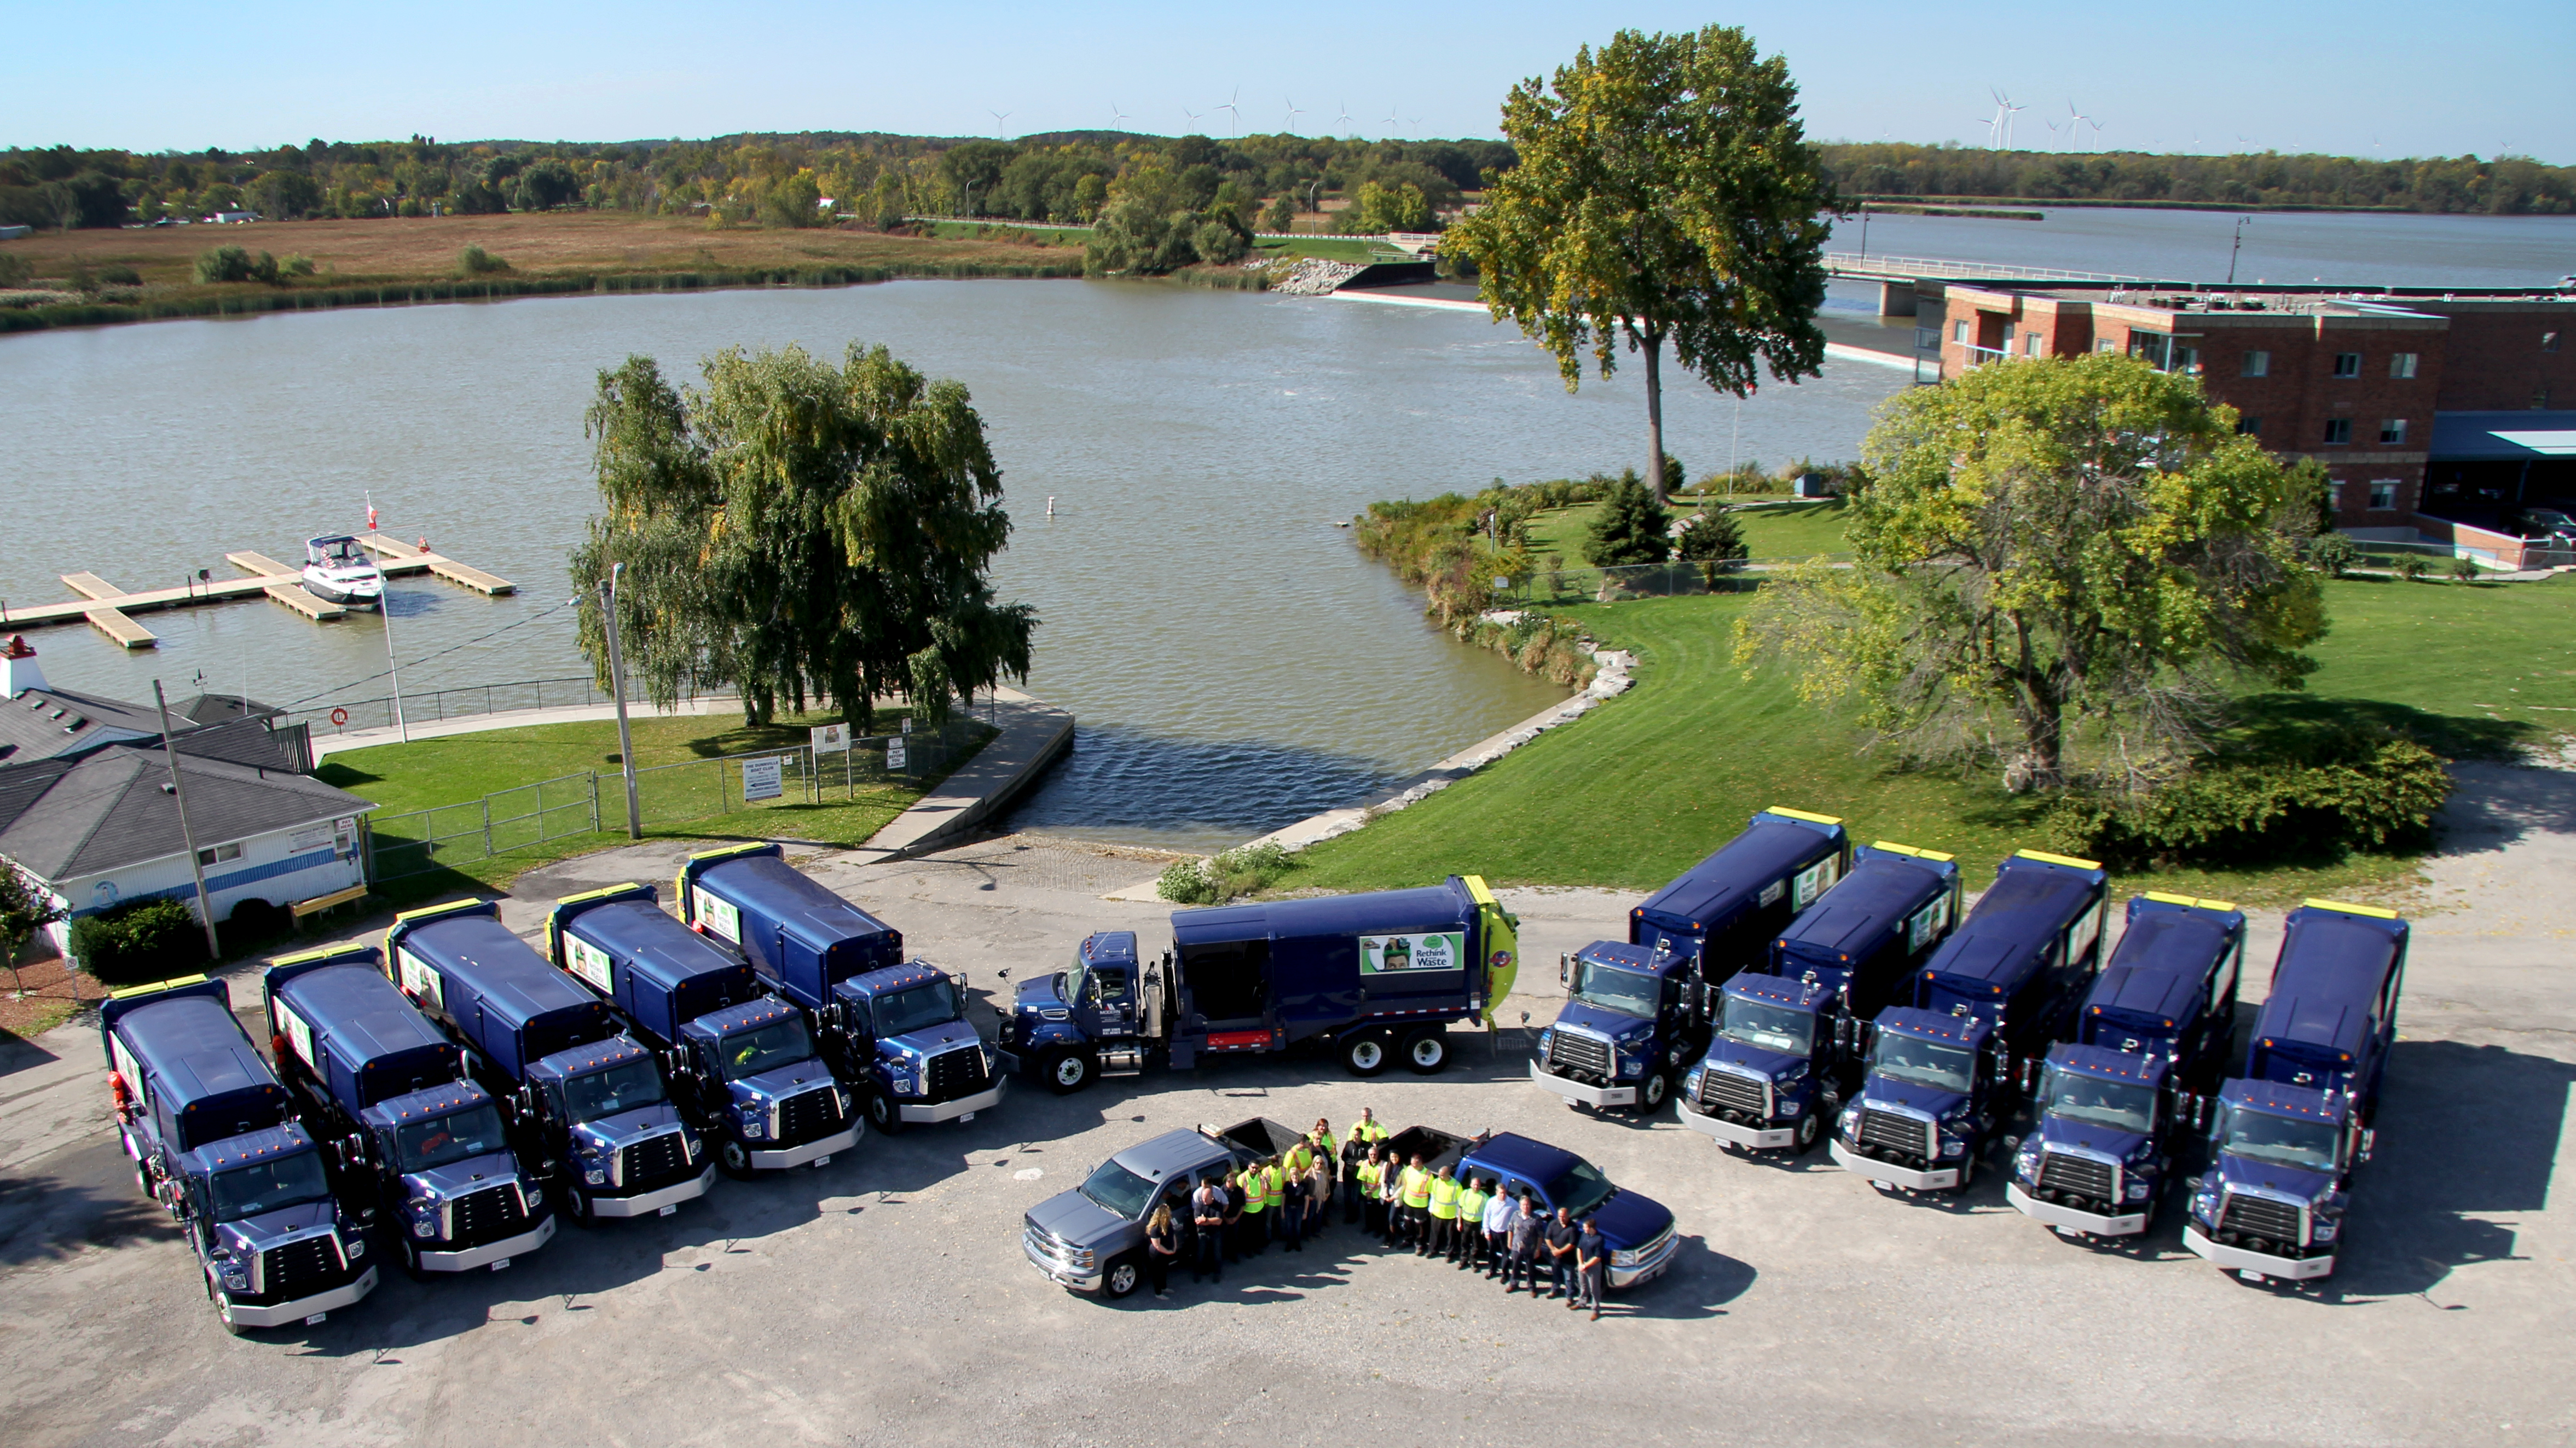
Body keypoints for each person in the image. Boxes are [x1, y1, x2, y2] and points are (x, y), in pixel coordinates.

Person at [1504, 1190, 1543, 1294]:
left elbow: (1540, 1236)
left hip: (1529, 1248)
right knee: (1515, 1267)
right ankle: (1514, 1284)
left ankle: (1532, 1287)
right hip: (1516, 1247)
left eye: (1527, 1205)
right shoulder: (1516, 1215)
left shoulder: (1535, 1219)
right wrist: (1509, 1242)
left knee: (1530, 1269)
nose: (1526, 1207)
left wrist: (1538, 1249)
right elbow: (1510, 1229)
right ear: (1520, 1206)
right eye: (1524, 1205)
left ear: (1530, 1206)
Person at [1192, 1173, 1229, 1283]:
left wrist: (1206, 1221)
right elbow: (1197, 1220)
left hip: (1215, 1234)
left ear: (1211, 1197)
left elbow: (1219, 1221)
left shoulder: (1218, 1206)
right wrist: (1210, 1221)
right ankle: (1197, 1274)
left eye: (1205, 1198)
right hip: (1202, 1234)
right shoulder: (1199, 1206)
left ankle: (1217, 1273)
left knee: (1217, 1254)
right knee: (1200, 1255)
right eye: (1202, 1198)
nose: (1203, 1200)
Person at [1480, 1180, 1517, 1279]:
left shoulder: (1513, 1204)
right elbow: (1486, 1217)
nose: (1503, 1195)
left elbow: (1518, 1214)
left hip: (1505, 1233)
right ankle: (1492, 1270)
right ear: (1497, 1193)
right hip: (1493, 1232)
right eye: (1501, 1193)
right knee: (1492, 1253)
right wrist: (1487, 1232)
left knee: (1505, 1254)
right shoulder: (1491, 1202)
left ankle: (1505, 1274)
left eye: (1505, 1193)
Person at [1423, 1163, 1461, 1260]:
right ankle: (1432, 1251)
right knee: (1434, 1234)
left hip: (1451, 1216)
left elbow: (1459, 1203)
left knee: (1450, 1237)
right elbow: (1433, 1197)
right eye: (1440, 1175)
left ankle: (1449, 1254)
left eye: (1443, 1175)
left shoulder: (1457, 1186)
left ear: (1448, 1174)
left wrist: (1457, 1216)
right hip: (1437, 1213)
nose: (1440, 1177)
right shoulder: (1436, 1182)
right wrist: (1431, 1209)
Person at [1397, 1154, 1433, 1252]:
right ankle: (1408, 1240)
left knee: (1419, 1225)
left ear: (1421, 1163)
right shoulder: (1408, 1169)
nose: (1413, 1166)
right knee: (1408, 1222)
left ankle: (1420, 1244)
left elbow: (1432, 1192)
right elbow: (1404, 1183)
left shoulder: (1428, 1175)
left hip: (1420, 1205)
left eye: (1415, 1165)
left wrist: (1431, 1207)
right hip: (1408, 1201)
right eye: (1412, 1164)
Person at [1574, 1214, 1607, 1319]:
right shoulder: (1584, 1235)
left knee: (1594, 1289)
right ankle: (1582, 1302)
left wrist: (1585, 1265)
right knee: (1583, 1285)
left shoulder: (1599, 1239)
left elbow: (1597, 1257)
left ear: (1592, 1228)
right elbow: (1579, 1249)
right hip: (1583, 1264)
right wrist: (1580, 1263)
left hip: (1594, 1267)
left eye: (1586, 1227)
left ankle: (1596, 1309)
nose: (1584, 1229)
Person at [1543, 1206, 1579, 1300]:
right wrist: (1554, 1250)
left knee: (1569, 1278)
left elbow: (1572, 1244)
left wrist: (1560, 1251)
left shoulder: (1573, 1228)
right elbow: (1547, 1238)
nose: (1561, 1219)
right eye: (1560, 1216)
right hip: (1555, 1256)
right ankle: (1555, 1290)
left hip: (1568, 1258)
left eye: (1563, 1217)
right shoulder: (1553, 1224)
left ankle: (1569, 1296)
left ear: (1568, 1216)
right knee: (1556, 1274)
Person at [1454, 1175, 1490, 1270]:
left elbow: (1487, 1214)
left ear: (1480, 1186)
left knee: (1476, 1245)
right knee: (1464, 1243)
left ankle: (1473, 1262)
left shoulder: (1485, 1197)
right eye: (1474, 1185)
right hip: (1466, 1222)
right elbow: (1460, 1208)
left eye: (1478, 1185)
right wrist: (1459, 1222)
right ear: (1471, 1185)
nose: (1476, 1187)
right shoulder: (1465, 1193)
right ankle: (1463, 1261)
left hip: (1477, 1224)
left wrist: (1484, 1227)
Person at [1339, 1122, 1372, 1223]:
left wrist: (1364, 1162)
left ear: (1361, 1136)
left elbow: (1370, 1156)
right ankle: (1349, 1215)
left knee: (1356, 1197)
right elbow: (1344, 1157)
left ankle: (1355, 1215)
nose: (1355, 1137)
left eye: (1357, 1135)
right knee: (1347, 1196)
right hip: (1348, 1173)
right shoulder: (1349, 1144)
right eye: (1354, 1135)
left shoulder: (1366, 1145)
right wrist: (1354, 1163)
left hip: (1359, 1175)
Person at [1145, 1203, 1180, 1299]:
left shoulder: (1168, 1224)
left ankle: (1164, 1287)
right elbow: (1157, 1245)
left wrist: (1174, 1247)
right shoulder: (1155, 1229)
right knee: (1157, 1272)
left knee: (1164, 1270)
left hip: (1166, 1252)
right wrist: (1168, 1252)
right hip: (1157, 1254)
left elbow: (1173, 1235)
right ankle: (1158, 1293)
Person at [1235, 1162, 1264, 1258]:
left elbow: (1264, 1190)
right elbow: (1239, 1195)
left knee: (1258, 1231)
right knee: (1247, 1233)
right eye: (1253, 1168)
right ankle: (1248, 1250)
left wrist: (1266, 1202)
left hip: (1259, 1208)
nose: (1255, 1170)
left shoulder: (1260, 1177)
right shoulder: (1242, 1178)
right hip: (1247, 1210)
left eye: (1257, 1168)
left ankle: (1257, 1247)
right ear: (1249, 1167)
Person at [1355, 1147, 1386, 1239]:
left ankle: (1378, 1230)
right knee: (1368, 1212)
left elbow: (1381, 1181)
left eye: (1375, 1154)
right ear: (1368, 1155)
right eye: (1371, 1155)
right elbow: (1363, 1179)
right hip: (1367, 1193)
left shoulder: (1383, 1165)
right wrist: (1368, 1192)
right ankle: (1368, 1227)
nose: (1373, 1156)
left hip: (1378, 1194)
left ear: (1378, 1154)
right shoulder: (1364, 1164)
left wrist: (1372, 1191)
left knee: (1379, 1213)